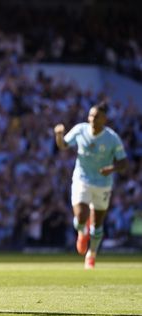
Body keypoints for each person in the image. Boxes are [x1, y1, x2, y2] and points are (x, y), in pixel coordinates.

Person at [54, 101, 127, 269]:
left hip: (103, 184)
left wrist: (112, 168)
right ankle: (81, 232)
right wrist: (59, 135)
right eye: (91, 115)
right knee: (81, 216)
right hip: (82, 179)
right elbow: (64, 145)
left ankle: (91, 255)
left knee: (97, 224)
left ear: (104, 119)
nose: (92, 118)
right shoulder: (80, 130)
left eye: (96, 116)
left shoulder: (112, 138)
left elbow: (123, 163)